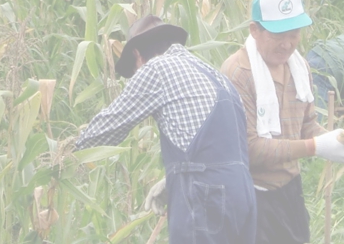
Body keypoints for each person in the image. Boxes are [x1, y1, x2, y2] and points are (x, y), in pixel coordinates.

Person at [75, 15, 257, 244]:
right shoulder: (215, 77)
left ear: (137, 55)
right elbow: (222, 154)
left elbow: (111, 125)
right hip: (243, 193)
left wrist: (67, 153)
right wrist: (172, 179)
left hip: (204, 196)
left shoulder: (158, 68)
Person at [221, 0, 344, 244]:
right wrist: (315, 146)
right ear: (255, 30)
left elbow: (307, 126)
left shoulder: (299, 67)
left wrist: (341, 139)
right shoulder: (239, 74)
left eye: (294, 33)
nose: (287, 44)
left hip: (289, 192)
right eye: (278, 35)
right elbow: (249, 149)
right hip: (251, 196)